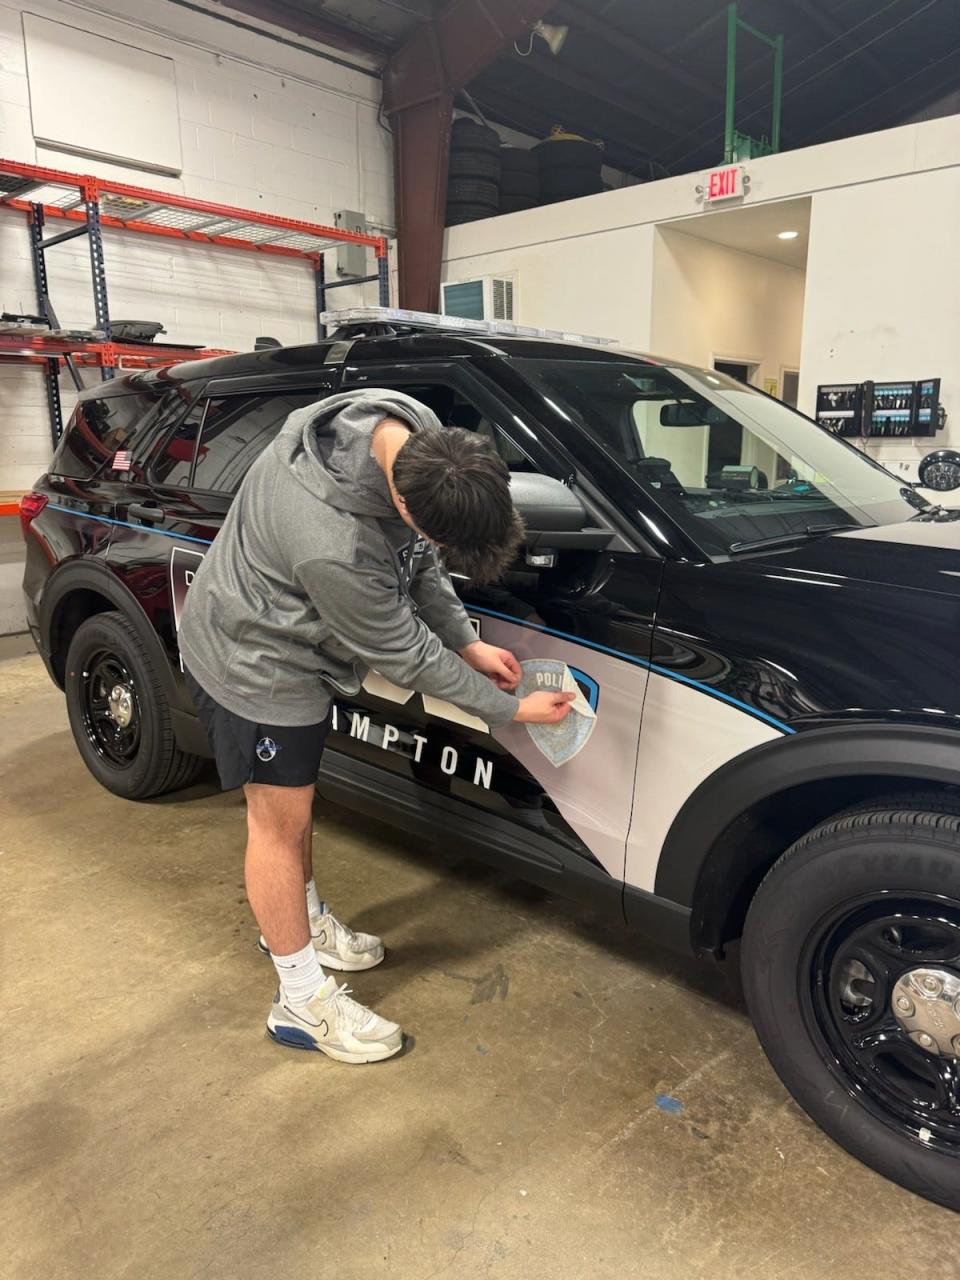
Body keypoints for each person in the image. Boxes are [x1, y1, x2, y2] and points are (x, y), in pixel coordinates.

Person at [178, 389, 574, 1064]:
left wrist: (467, 641)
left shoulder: (412, 430)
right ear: (404, 506)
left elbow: (419, 561)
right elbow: (402, 650)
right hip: (256, 660)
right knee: (277, 824)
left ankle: (298, 923)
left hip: (299, 641)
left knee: (297, 813)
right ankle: (299, 999)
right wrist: (506, 709)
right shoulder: (332, 541)